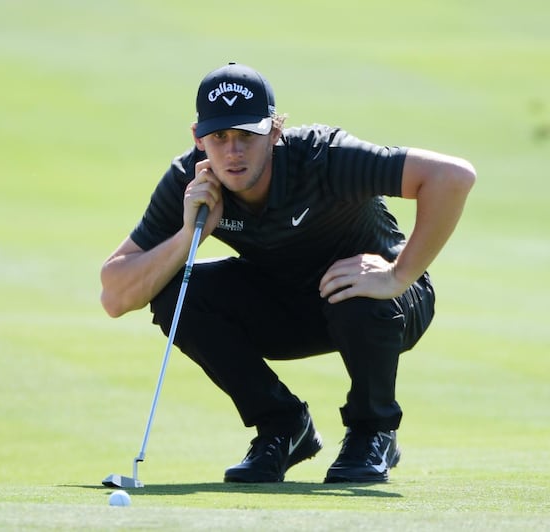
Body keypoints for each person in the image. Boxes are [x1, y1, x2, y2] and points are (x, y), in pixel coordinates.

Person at [100, 62, 475, 483]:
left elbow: (451, 176)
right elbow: (115, 293)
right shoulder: (193, 181)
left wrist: (398, 274)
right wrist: (188, 234)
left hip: (384, 302)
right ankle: (283, 426)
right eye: (219, 137)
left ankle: (374, 431)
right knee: (177, 294)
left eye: (247, 135)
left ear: (275, 131)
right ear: (198, 137)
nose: (232, 152)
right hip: (288, 303)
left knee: (355, 290)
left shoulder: (323, 158)